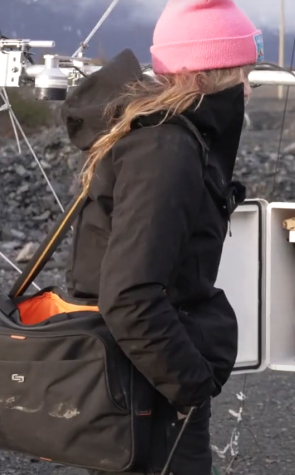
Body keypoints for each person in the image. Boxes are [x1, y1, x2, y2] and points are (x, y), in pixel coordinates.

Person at [59, 0, 262, 473]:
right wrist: (189, 385)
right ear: (201, 78)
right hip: (149, 395)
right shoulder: (166, 150)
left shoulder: (159, 138)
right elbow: (130, 296)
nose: (248, 92)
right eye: (241, 76)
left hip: (140, 383)